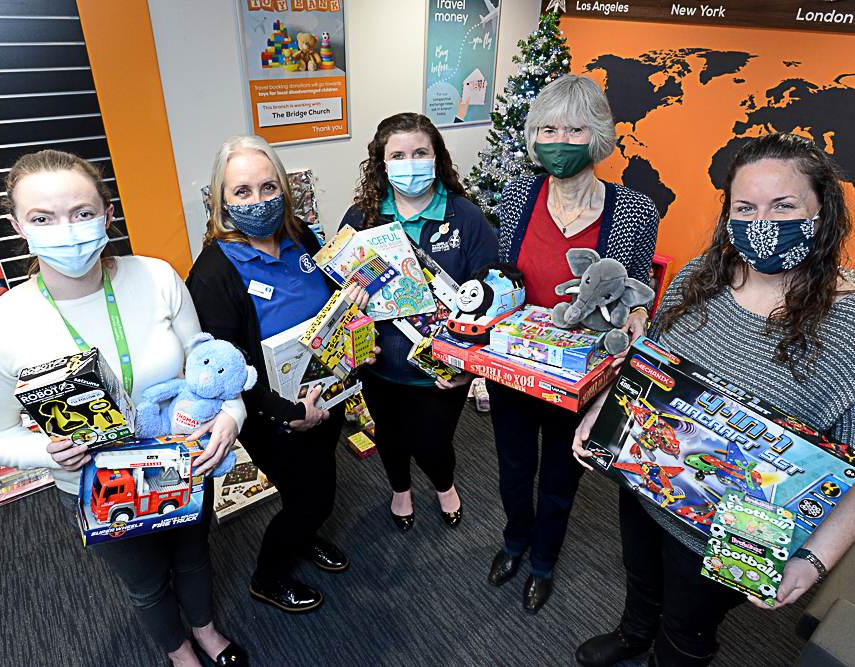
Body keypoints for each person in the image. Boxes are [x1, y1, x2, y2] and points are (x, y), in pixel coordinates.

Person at [572, 132, 855, 667]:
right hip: (644, 482)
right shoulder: (696, 277)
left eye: (784, 207)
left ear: (821, 215)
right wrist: (599, 415)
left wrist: (814, 563)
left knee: (688, 628)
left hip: (733, 532)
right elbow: (647, 369)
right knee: (640, 578)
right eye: (746, 208)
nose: (762, 224)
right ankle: (634, 632)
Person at [0, 150, 249, 667]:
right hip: (97, 483)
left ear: (107, 215)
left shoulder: (157, 278)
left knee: (195, 557)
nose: (66, 231)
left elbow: (210, 365)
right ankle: (180, 652)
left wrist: (232, 415)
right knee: (146, 582)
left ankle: (204, 629)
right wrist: (47, 451)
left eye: (82, 213)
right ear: (17, 225)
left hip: (182, 462)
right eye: (43, 218)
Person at [487, 75, 660, 614]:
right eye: (547, 128)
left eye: (575, 128)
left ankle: (543, 560)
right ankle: (515, 541)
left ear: (599, 137)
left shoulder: (633, 210)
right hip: (514, 367)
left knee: (560, 476)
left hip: (578, 375)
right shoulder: (518, 196)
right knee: (513, 470)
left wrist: (636, 312)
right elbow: (501, 281)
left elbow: (637, 287)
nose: (559, 140)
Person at [186, 135, 374, 614]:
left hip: (324, 392)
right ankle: (267, 577)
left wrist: (356, 338)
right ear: (221, 200)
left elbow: (331, 302)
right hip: (272, 413)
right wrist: (289, 414)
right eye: (242, 191)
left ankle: (303, 535)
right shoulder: (212, 273)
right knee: (312, 498)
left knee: (313, 485)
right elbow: (224, 373)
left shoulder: (301, 234)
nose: (258, 201)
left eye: (269, 187)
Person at [340, 112, 498, 531]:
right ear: (382, 163)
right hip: (377, 364)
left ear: (436, 157)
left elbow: (492, 298)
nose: (410, 163)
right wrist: (350, 300)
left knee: (431, 444)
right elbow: (337, 290)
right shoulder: (361, 218)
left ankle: (444, 484)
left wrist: (470, 367)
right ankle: (400, 490)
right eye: (398, 154)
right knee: (390, 437)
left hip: (440, 368)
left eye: (419, 152)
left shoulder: (464, 216)